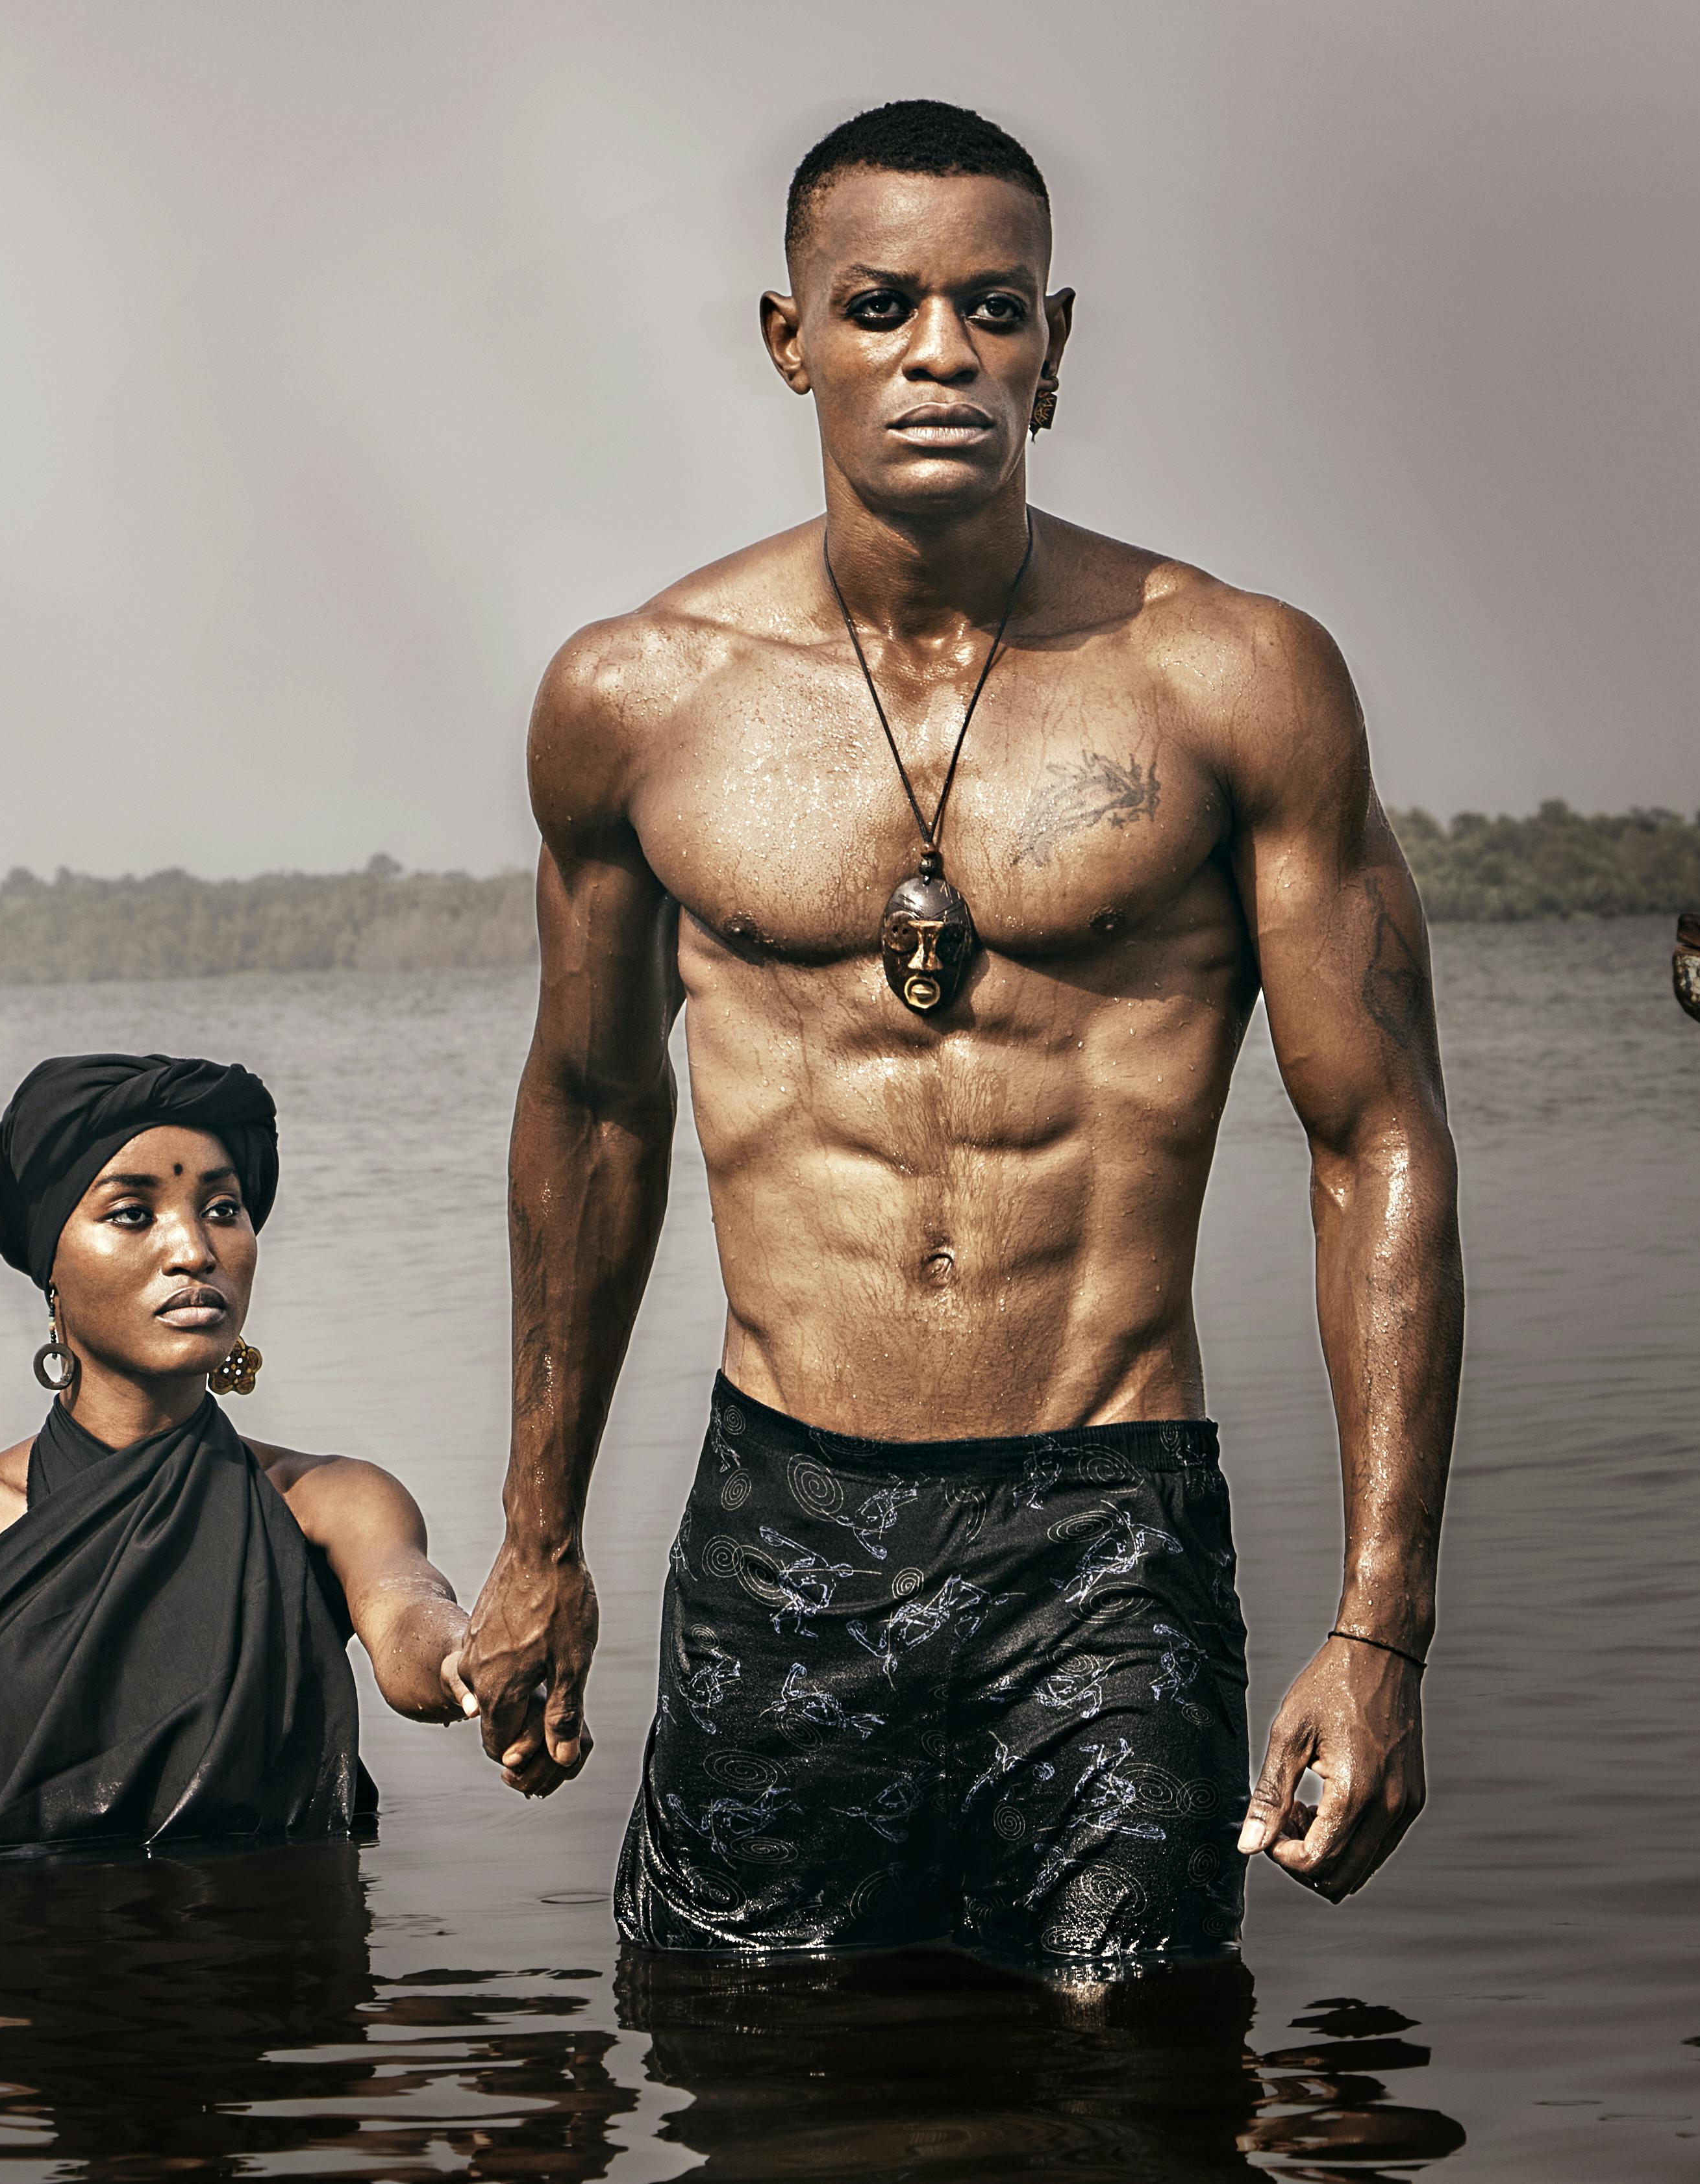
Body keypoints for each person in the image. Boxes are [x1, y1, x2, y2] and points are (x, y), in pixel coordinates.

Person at [462, 100, 1464, 1969]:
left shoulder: (1230, 677)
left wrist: (1379, 1621)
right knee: (741, 2067)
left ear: (1053, 348)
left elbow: (1377, 1136)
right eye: (880, 306)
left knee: (1136, 2078)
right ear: (791, 340)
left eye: (992, 311)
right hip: (781, 1516)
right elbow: (593, 1113)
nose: (941, 354)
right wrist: (537, 1539)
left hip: (1105, 1530)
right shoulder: (636, 699)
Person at [0, 1052, 472, 1857]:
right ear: (49, 1262)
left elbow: (409, 1621)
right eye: (132, 1214)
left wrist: (469, 1660)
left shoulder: (331, 1500)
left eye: (223, 1208)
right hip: (13, 1967)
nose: (195, 1249)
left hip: (285, 1971)